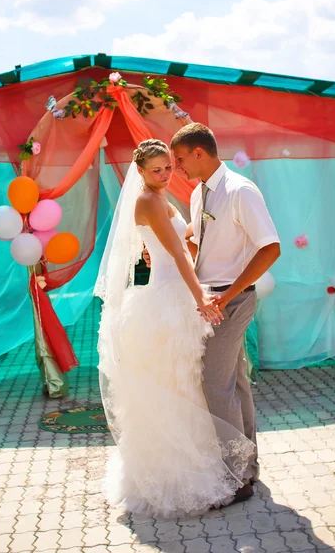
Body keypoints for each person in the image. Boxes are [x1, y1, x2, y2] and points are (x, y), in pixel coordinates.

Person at [94, 139, 255, 519]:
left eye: (169, 166)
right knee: (177, 388)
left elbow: (181, 244)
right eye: (157, 170)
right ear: (141, 172)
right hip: (167, 300)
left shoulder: (159, 198)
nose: (166, 174)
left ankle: (214, 465)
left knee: (189, 385)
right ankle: (180, 475)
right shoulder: (148, 200)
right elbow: (181, 257)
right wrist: (200, 297)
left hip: (174, 295)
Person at [168, 122, 281, 502]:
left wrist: (226, 294)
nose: (178, 168)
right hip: (211, 300)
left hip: (231, 301)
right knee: (236, 384)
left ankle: (235, 478)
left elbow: (270, 248)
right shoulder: (199, 192)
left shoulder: (240, 191)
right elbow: (202, 247)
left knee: (215, 388)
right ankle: (248, 467)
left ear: (200, 152)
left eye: (181, 160)